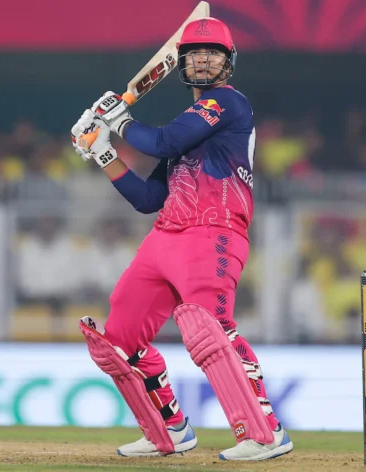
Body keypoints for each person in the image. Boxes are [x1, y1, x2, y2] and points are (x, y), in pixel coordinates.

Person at [69, 17, 292, 461]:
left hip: (215, 233)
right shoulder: (187, 127)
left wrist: (119, 121)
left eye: (214, 53)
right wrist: (104, 154)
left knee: (212, 331)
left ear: (228, 63)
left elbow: (164, 141)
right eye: (196, 53)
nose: (205, 59)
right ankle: (167, 429)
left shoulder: (228, 104)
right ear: (182, 63)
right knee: (120, 338)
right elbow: (150, 199)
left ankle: (266, 432)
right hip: (165, 237)